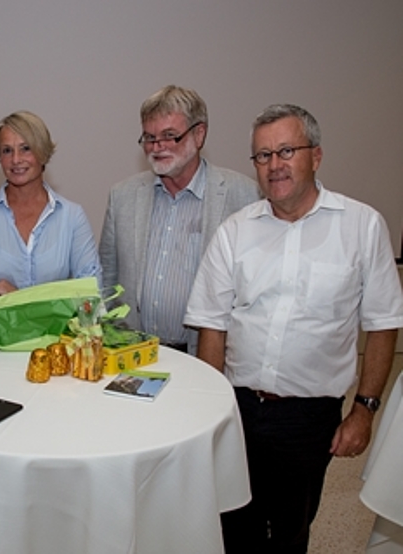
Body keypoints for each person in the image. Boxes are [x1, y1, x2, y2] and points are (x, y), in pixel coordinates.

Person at [184, 104, 403, 553]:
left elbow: (383, 324)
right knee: (231, 526)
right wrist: (212, 412)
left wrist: (364, 410)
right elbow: (212, 326)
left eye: (286, 150)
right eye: (262, 156)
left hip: (309, 416)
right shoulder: (234, 232)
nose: (273, 165)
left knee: (290, 531)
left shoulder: (362, 227)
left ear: (316, 156)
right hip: (238, 408)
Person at [99, 85, 259, 354]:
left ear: (199, 134)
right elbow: (106, 281)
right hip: (134, 354)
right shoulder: (122, 196)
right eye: (149, 138)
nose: (157, 147)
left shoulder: (244, 195)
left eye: (169, 136)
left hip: (207, 356)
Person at [0, 110, 101, 332]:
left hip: (53, 351)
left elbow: (91, 294)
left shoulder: (72, 217)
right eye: (6, 150)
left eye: (25, 148)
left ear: (43, 153)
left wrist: (16, 300)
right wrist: (42, 306)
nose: (15, 160)